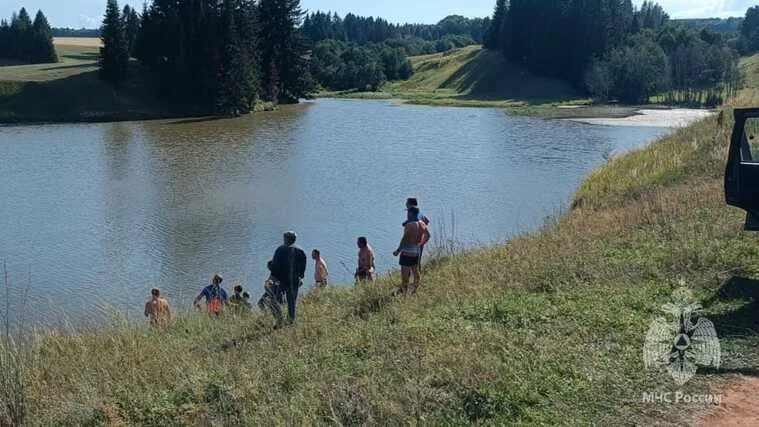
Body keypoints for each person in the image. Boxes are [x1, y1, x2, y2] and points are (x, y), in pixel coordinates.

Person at [269, 231, 307, 323]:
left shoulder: (280, 250)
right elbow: (303, 267)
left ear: (286, 239)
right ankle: (290, 321)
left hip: (281, 281)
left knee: (273, 301)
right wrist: (300, 277)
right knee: (292, 302)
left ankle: (279, 319)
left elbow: (275, 266)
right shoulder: (301, 251)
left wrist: (272, 277)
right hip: (294, 281)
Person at [393, 206, 431, 294]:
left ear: (410, 213)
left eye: (408, 212)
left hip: (406, 253)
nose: (407, 214)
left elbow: (404, 239)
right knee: (416, 272)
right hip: (416, 253)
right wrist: (420, 244)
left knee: (405, 276)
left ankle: (404, 295)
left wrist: (398, 251)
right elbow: (428, 236)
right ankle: (415, 290)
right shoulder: (422, 224)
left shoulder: (409, 225)